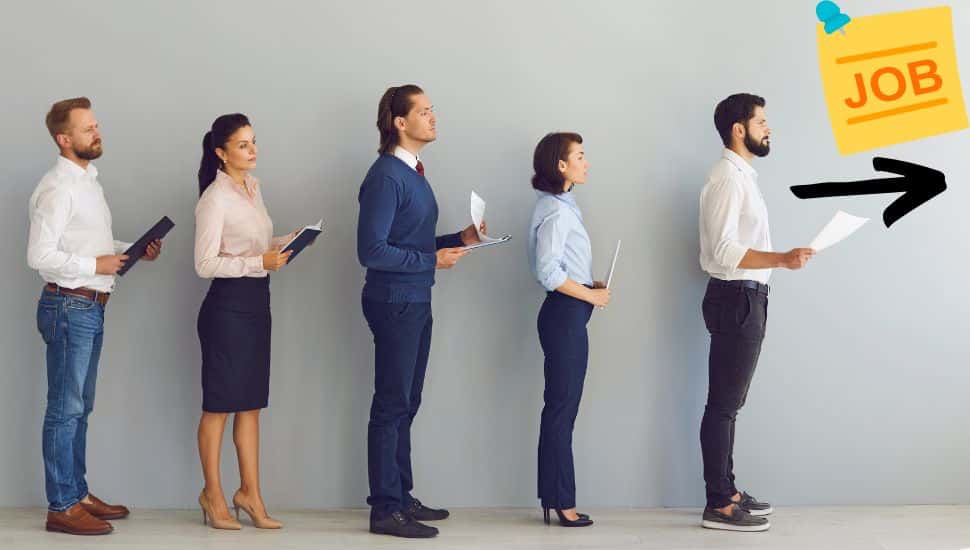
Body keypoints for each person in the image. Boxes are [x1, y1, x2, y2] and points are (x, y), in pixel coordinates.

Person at [28, 97, 161, 535]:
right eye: (87, 129)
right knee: (64, 410)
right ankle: (61, 506)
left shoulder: (89, 182)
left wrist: (128, 251)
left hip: (89, 305)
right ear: (64, 139)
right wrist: (96, 267)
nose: (96, 133)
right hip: (69, 305)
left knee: (80, 407)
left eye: (96, 125)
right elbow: (40, 256)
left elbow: (87, 245)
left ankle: (77, 492)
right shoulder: (57, 187)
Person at [356, 84, 483, 539]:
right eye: (424, 112)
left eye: (433, 110)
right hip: (394, 302)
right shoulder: (386, 176)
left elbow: (406, 243)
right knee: (391, 404)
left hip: (414, 299)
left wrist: (457, 240)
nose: (434, 117)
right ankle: (385, 509)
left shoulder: (412, 172)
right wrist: (433, 261)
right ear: (400, 123)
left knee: (406, 402)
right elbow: (370, 250)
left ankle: (401, 496)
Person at [698, 93, 815, 532]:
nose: (769, 128)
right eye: (761, 121)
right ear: (738, 129)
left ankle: (726, 491)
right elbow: (724, 249)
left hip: (745, 297)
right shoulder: (728, 178)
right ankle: (719, 504)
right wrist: (781, 259)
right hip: (736, 297)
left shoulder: (742, 175)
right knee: (723, 406)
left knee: (730, 404)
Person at [194, 113, 299, 531]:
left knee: (251, 406)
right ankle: (212, 493)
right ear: (221, 153)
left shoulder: (252, 189)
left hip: (258, 304)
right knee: (219, 406)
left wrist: (283, 243)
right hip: (226, 309)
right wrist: (260, 261)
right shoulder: (214, 199)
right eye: (242, 145)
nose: (252, 150)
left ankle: (250, 494)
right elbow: (204, 263)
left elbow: (250, 245)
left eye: (253, 142)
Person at [527, 132, 609, 528]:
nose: (587, 162)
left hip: (568, 312)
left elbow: (563, 266)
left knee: (560, 410)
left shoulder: (560, 204)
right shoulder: (557, 211)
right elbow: (546, 271)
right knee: (562, 412)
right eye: (580, 155)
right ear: (561, 166)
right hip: (564, 316)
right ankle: (563, 503)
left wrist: (588, 285)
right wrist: (590, 297)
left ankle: (554, 498)